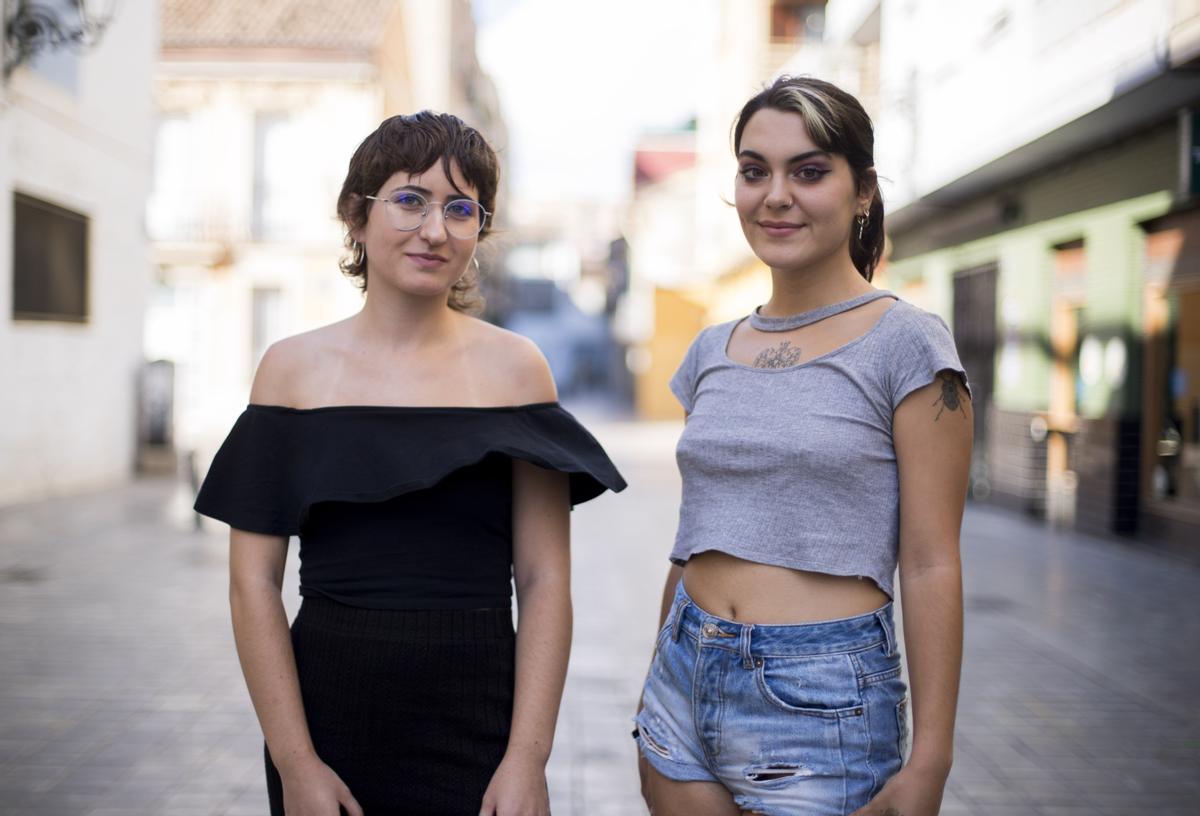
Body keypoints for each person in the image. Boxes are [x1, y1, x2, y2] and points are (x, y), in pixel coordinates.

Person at [194, 111, 625, 816]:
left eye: (461, 209)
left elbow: (545, 581)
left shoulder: (517, 371)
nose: (436, 230)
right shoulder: (291, 372)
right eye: (410, 200)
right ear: (356, 219)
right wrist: (296, 762)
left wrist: (527, 760)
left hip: (480, 719)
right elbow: (253, 584)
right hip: (328, 716)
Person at [634, 76, 972, 816]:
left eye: (809, 171)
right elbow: (695, 536)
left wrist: (932, 761)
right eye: (755, 170)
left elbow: (930, 559)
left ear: (863, 193)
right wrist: (662, 665)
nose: (775, 194)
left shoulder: (908, 343)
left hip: (820, 694)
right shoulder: (711, 350)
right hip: (683, 673)